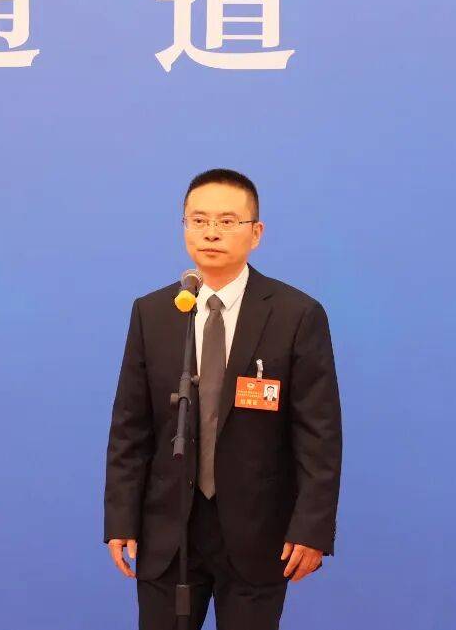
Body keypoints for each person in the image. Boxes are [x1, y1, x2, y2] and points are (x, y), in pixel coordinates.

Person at [103, 168, 343, 630]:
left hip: (259, 532)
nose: (211, 232)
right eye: (198, 220)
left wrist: (312, 527)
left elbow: (319, 435)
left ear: (256, 233)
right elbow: (130, 427)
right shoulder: (153, 313)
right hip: (168, 529)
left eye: (228, 221)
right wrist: (120, 517)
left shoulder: (296, 315)